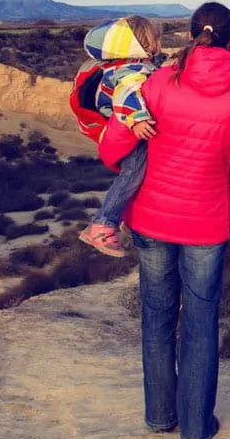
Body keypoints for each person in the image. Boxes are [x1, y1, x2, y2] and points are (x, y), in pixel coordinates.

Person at [99, 2, 230, 439]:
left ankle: (160, 416)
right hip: (206, 225)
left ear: (191, 34)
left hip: (151, 220)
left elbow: (114, 149)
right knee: (200, 323)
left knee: (157, 317)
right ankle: (196, 429)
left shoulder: (158, 81)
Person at [70, 16, 163, 258]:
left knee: (137, 177)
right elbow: (128, 93)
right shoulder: (131, 71)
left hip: (114, 131)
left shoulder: (121, 64)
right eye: (154, 38)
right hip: (127, 132)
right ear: (142, 42)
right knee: (132, 175)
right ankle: (103, 225)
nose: (158, 42)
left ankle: (124, 217)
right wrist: (138, 119)